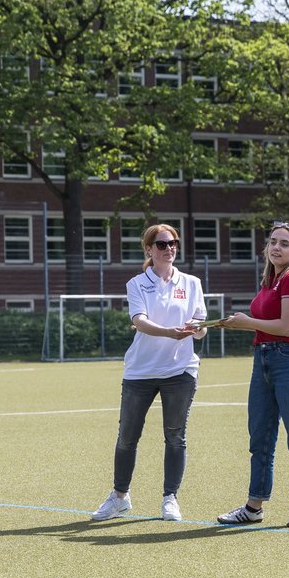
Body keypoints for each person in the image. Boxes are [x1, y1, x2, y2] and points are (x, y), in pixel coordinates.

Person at [92, 224, 208, 523]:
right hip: (140, 371)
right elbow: (139, 321)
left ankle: (170, 498)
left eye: (173, 243)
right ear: (149, 249)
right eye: (161, 244)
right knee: (127, 437)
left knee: (175, 436)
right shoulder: (136, 284)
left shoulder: (192, 283)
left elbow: (200, 328)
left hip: (180, 370)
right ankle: (119, 497)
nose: (169, 248)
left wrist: (199, 329)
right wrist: (171, 332)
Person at [217, 222, 289, 528]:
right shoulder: (270, 280)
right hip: (263, 359)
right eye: (273, 242)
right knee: (260, 438)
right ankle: (254, 506)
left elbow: (287, 328)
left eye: (284, 244)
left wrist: (247, 322)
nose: (276, 247)